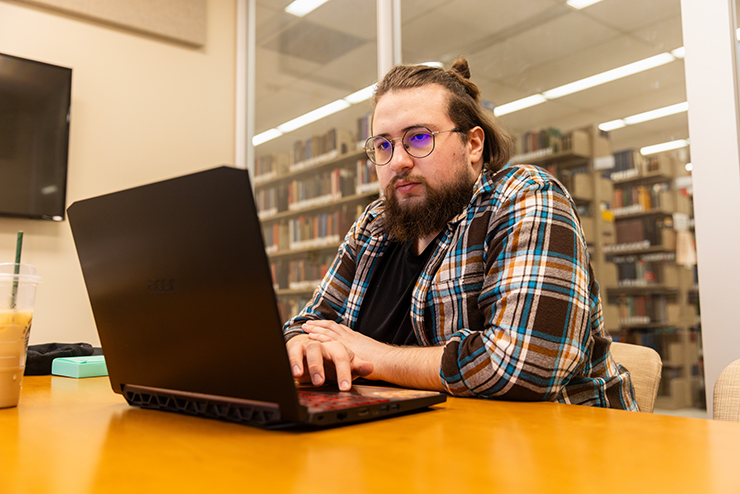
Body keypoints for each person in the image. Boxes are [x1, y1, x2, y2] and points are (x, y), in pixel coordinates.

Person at [283, 58, 638, 410]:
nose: (397, 162)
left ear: (473, 145)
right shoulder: (373, 226)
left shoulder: (525, 197)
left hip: (557, 449)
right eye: (383, 146)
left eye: (419, 138)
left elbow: (524, 365)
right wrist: (302, 348)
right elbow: (307, 323)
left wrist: (374, 355)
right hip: (416, 444)